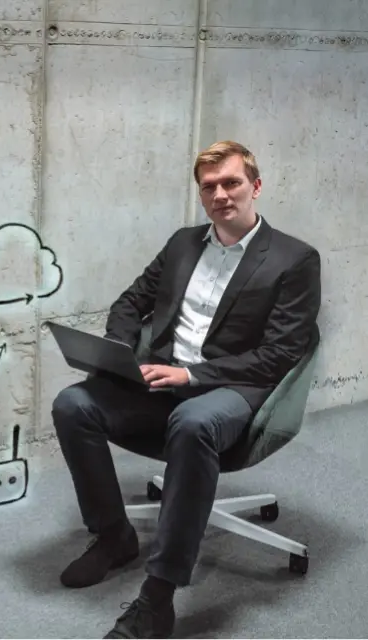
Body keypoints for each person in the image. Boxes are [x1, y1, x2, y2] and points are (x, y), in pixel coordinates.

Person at [51, 141, 321, 638]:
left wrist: (193, 376)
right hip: (162, 380)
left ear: (256, 186)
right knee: (73, 404)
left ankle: (158, 597)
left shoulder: (294, 259)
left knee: (193, 422)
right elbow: (130, 303)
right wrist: (119, 355)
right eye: (209, 187)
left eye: (232, 183)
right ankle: (113, 536)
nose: (221, 195)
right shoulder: (183, 243)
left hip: (234, 388)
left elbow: (281, 354)